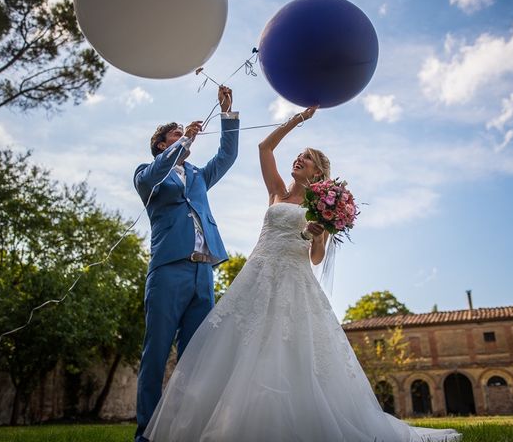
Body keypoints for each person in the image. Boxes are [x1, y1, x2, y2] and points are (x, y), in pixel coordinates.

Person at [142, 107, 460, 441]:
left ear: (318, 171)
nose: (297, 159)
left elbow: (318, 257)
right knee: (238, 347)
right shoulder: (277, 190)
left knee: (284, 352)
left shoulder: (322, 205)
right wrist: (297, 121)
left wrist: (313, 233)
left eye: (305, 158)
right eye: (297, 155)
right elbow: (264, 148)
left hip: (293, 281)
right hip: (257, 275)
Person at [133, 85, 239, 442]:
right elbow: (154, 174)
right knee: (157, 351)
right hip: (168, 270)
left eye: (182, 133)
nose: (183, 135)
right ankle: (146, 432)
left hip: (203, 271)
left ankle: (185, 429)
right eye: (175, 134)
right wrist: (184, 142)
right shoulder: (147, 174)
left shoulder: (197, 176)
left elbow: (226, 157)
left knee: (196, 357)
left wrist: (227, 114)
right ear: (162, 144)